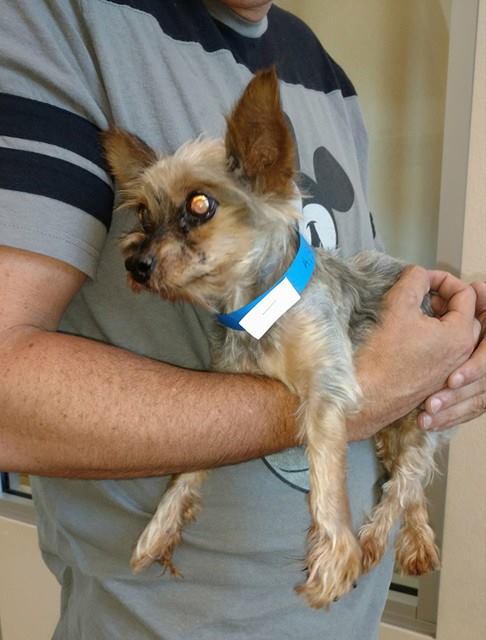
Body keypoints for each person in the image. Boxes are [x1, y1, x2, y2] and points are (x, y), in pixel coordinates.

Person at [0, 1, 485, 638]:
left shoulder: (324, 73)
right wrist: (358, 396)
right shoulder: (56, 19)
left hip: (353, 616)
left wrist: (451, 347)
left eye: (196, 211)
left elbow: (357, 311)